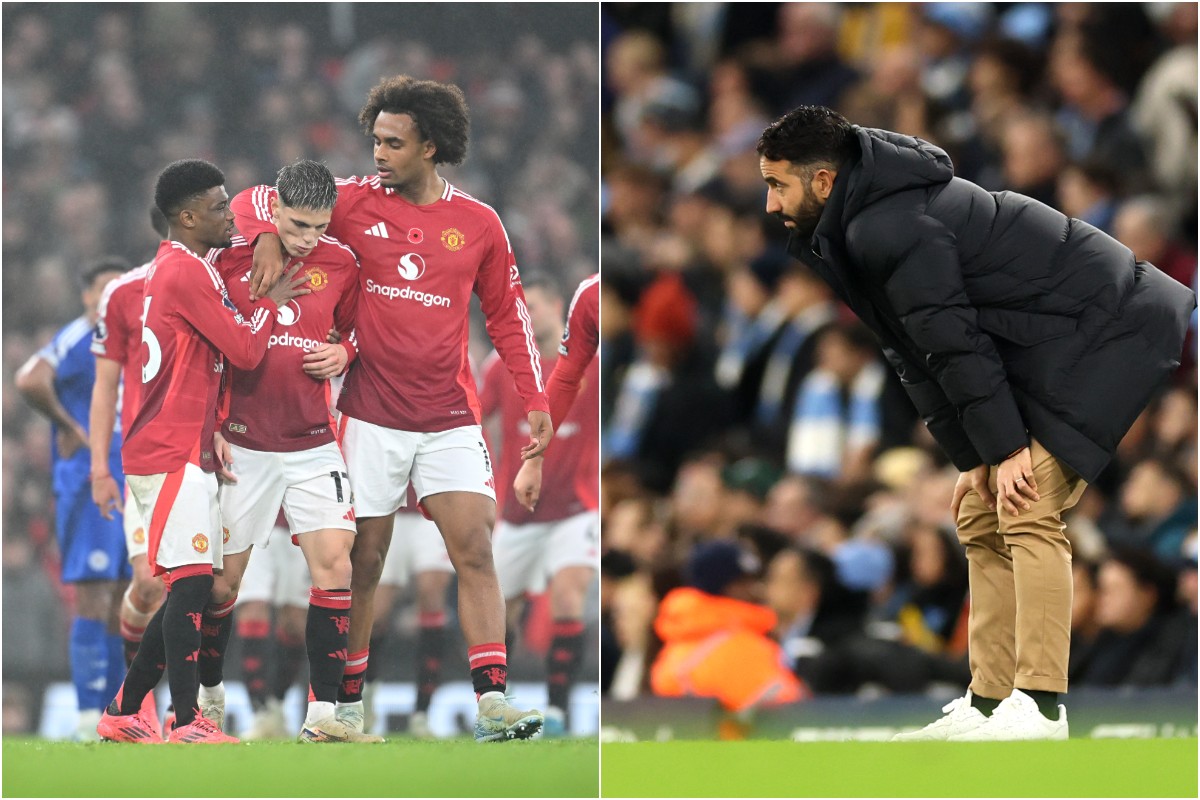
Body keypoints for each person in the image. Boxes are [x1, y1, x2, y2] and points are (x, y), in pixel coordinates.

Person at [756, 105, 1195, 741]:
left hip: (1114, 327)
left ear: (824, 182)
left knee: (1028, 500)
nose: (770, 204)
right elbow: (913, 354)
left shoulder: (890, 225)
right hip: (1053, 342)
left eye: (777, 184)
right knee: (978, 508)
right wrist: (973, 459)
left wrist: (1008, 449)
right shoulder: (862, 221)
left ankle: (1041, 706)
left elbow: (954, 346)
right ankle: (990, 702)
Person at [231, 75, 552, 742]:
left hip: (449, 415)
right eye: (375, 139)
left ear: (431, 147)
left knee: (474, 549)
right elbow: (259, 196)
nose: (378, 152)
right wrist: (265, 232)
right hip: (368, 412)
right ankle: (348, 701)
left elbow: (508, 316)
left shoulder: (478, 224)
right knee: (363, 561)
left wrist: (534, 396)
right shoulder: (349, 201)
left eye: (393, 143)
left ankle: (492, 698)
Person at [97, 158, 308, 744]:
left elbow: (204, 363)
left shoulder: (188, 265)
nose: (229, 215)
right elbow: (242, 351)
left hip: (183, 444)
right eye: (218, 207)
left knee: (198, 582)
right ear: (186, 216)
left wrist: (215, 423)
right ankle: (188, 720)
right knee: (191, 583)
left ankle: (124, 709)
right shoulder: (184, 273)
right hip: (166, 448)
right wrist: (272, 304)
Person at [206, 159, 383, 744]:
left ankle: (322, 715)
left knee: (336, 567)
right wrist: (206, 424)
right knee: (222, 585)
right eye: (298, 224)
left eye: (319, 227)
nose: (309, 238)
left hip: (313, 444)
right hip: (243, 444)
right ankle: (209, 697)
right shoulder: (230, 257)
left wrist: (346, 354)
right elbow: (201, 346)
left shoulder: (342, 263)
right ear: (275, 209)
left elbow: (361, 331)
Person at [15, 258, 132, 741]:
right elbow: (28, 378)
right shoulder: (78, 336)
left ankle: (121, 711)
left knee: (127, 598)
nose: (110, 298)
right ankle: (88, 715)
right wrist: (70, 428)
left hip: (134, 482)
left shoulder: (132, 338)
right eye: (102, 290)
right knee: (92, 593)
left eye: (119, 289)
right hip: (89, 483)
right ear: (86, 297)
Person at [484, 277, 599, 738]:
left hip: (577, 506)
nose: (528, 317)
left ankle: (557, 711)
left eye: (533, 306)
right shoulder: (503, 367)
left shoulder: (588, 360)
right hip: (517, 513)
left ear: (557, 305)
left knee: (569, 596)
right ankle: (499, 707)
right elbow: (474, 416)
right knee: (497, 616)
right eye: (520, 310)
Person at [88, 207, 171, 737]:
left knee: (199, 590)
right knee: (148, 583)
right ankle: (136, 701)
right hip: (144, 460)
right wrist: (100, 466)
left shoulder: (227, 285)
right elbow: (106, 386)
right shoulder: (125, 292)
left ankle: (194, 709)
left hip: (209, 458)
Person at [361, 494, 454, 738]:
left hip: (434, 507)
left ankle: (422, 713)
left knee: (432, 593)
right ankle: (364, 698)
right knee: (375, 613)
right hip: (387, 507)